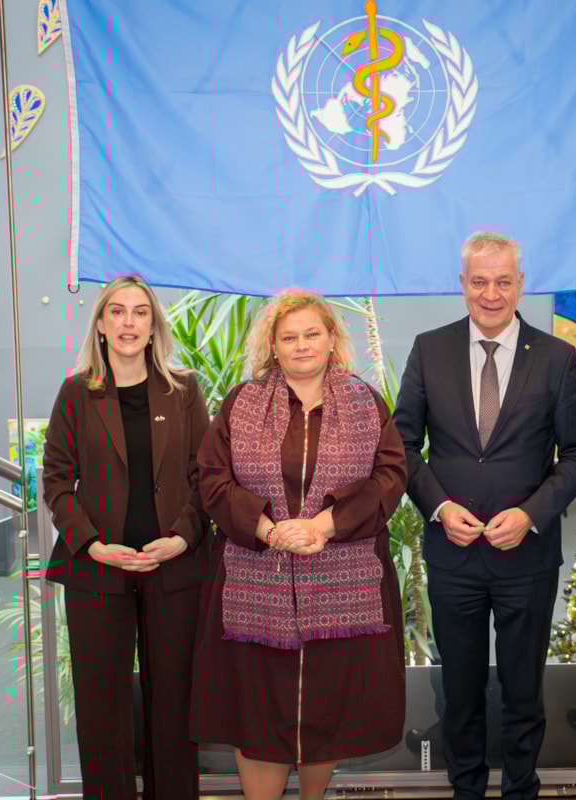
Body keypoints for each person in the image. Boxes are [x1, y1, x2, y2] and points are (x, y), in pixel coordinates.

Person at [392, 232, 576, 800]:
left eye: (503, 281)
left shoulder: (557, 358)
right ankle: (466, 790)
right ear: (462, 285)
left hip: (526, 558)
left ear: (520, 285)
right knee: (460, 691)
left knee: (523, 690)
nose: (491, 293)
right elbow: (402, 447)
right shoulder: (429, 349)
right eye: (479, 281)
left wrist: (531, 515)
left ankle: (521, 790)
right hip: (453, 554)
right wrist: (439, 505)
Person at [191, 288, 407, 800]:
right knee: (259, 708)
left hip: (341, 581)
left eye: (313, 333)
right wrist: (270, 530)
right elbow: (213, 480)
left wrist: (322, 527)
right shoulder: (241, 403)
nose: (302, 345)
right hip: (254, 583)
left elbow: (389, 477)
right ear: (273, 345)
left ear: (332, 339)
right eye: (289, 337)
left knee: (326, 706)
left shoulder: (366, 403)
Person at [42, 274, 209, 799]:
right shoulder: (76, 392)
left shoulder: (184, 389)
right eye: (118, 311)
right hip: (97, 568)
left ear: (154, 326)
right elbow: (55, 479)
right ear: (101, 324)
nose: (129, 322)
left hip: (174, 566)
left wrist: (182, 538)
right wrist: (91, 543)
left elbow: (207, 475)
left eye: (140, 312)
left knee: (174, 706)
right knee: (102, 706)